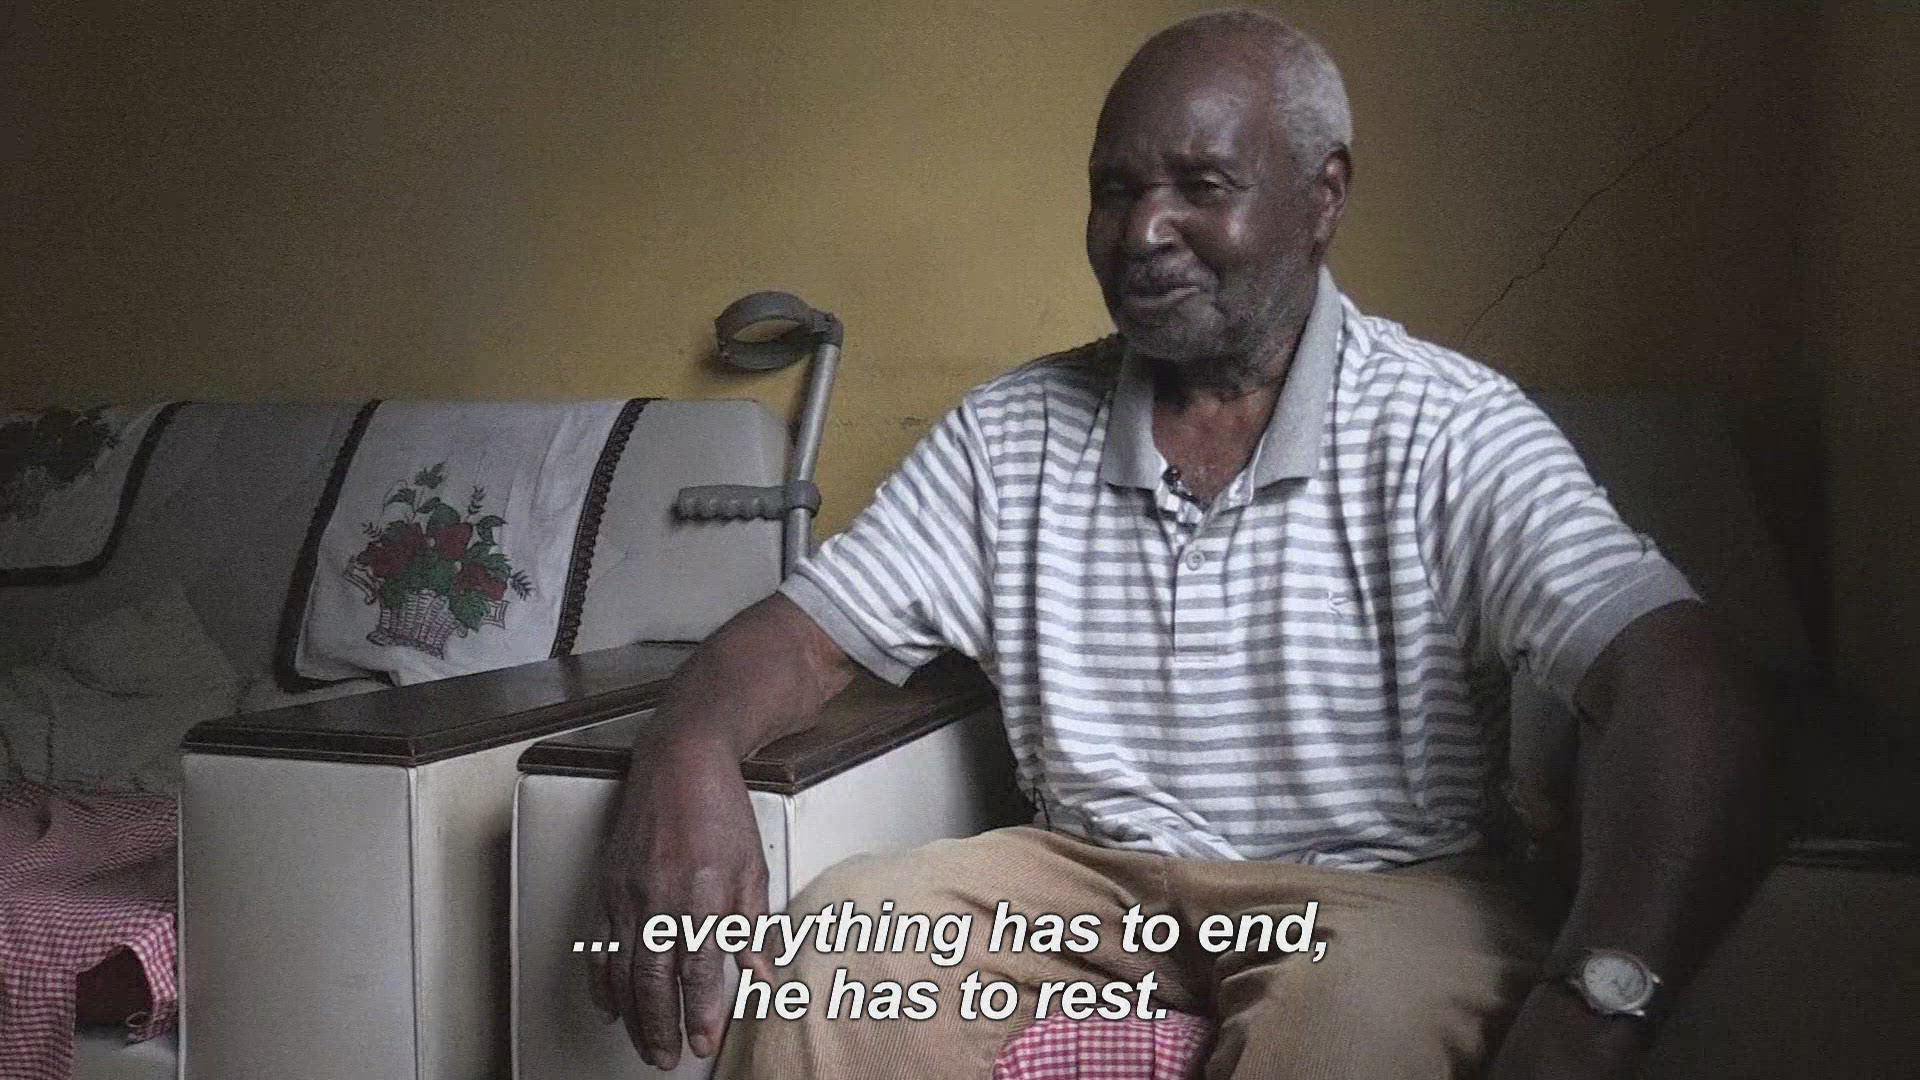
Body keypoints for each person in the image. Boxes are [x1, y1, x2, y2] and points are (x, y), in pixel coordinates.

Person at [596, 9, 1774, 1078]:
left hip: (1380, 895)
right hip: (1083, 880)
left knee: (1352, 1033)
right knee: (833, 960)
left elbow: (1677, 682)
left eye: (1202, 186)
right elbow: (800, 640)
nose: (1144, 230)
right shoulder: (1009, 434)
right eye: (1115, 190)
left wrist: (1602, 998)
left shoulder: (1447, 426)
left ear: (1323, 197)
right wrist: (687, 749)